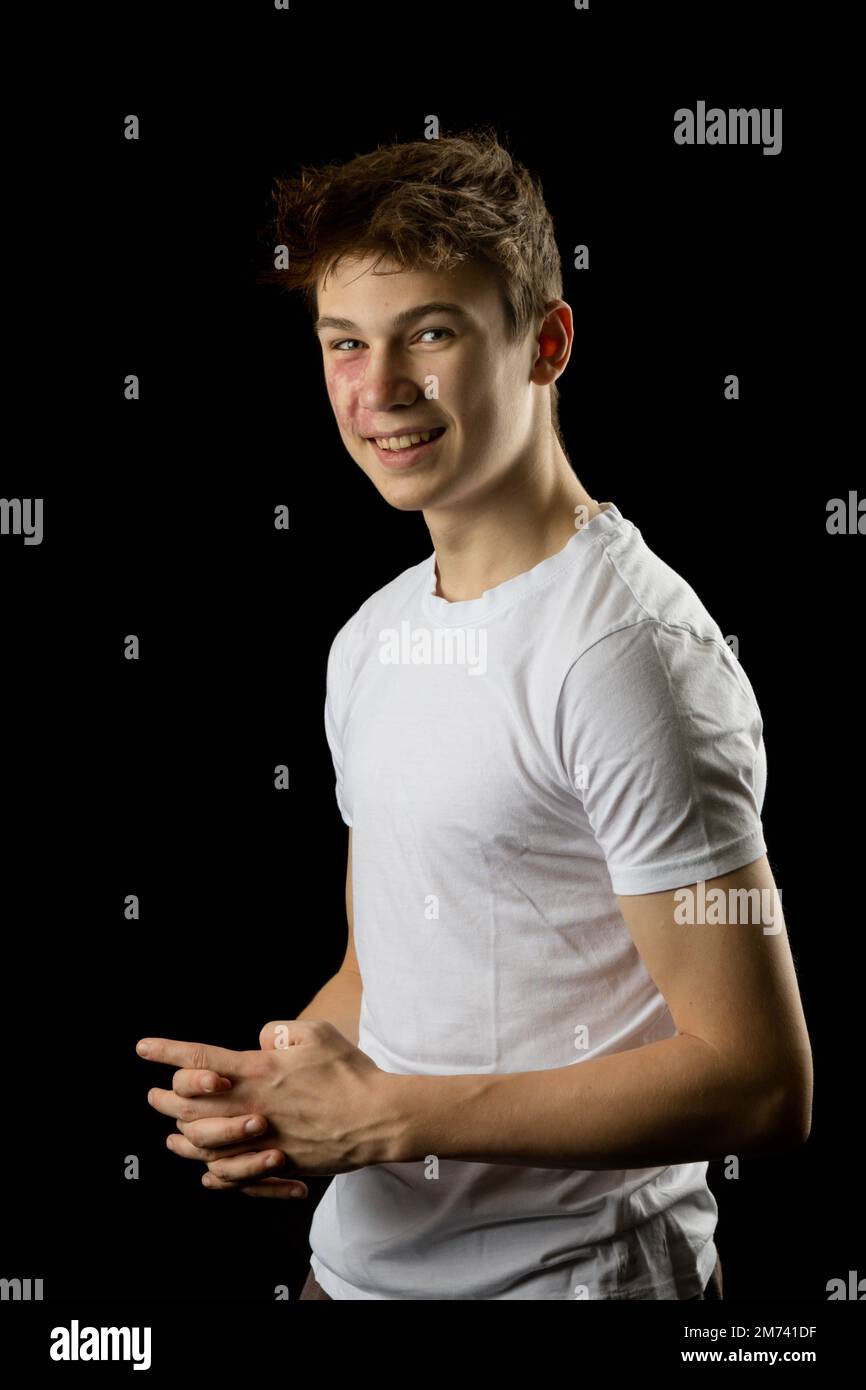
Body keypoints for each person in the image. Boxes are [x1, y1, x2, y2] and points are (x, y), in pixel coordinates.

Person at [153, 127, 812, 1300]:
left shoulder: (626, 655)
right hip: (351, 1275)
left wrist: (387, 1122)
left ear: (545, 344)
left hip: (566, 1285)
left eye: (432, 334)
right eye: (344, 343)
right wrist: (278, 1095)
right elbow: (383, 970)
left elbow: (758, 1081)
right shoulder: (371, 638)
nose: (378, 389)